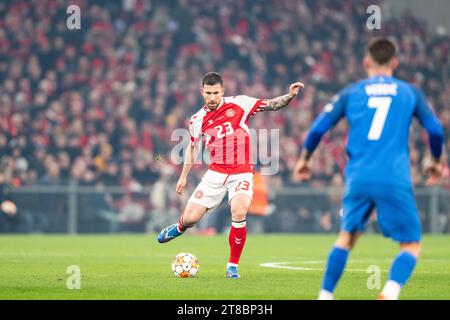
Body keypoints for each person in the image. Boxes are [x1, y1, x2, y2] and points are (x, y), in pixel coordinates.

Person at [293, 38, 444, 300]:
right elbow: (435, 130)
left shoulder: (352, 92)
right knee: (410, 244)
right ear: (394, 63)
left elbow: (318, 128)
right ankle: (390, 292)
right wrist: (435, 161)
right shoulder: (410, 92)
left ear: (366, 63)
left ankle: (325, 295)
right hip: (393, 177)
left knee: (346, 238)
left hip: (358, 176)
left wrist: (305, 158)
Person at [158, 72, 304, 278]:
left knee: (239, 211)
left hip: (241, 173)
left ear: (222, 91)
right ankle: (180, 227)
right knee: (191, 219)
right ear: (202, 92)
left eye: (216, 93)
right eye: (208, 93)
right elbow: (192, 148)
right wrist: (183, 176)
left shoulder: (240, 104)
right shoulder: (197, 120)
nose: (212, 97)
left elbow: (272, 104)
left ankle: (232, 266)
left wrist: (289, 96)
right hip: (215, 174)